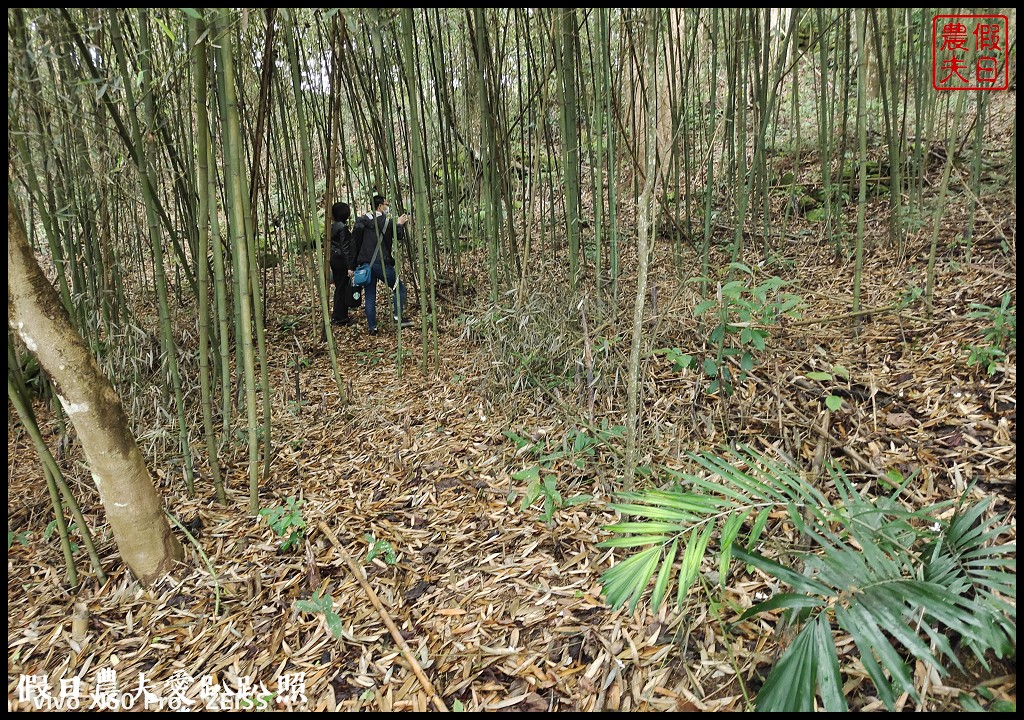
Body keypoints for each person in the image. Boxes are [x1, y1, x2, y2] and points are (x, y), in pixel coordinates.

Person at [352, 193, 413, 335]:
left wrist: (352, 265)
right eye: (386, 204)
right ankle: (398, 317)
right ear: (380, 206)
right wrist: (399, 224)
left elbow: (355, 243)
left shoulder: (362, 221)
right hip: (381, 264)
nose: (387, 207)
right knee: (399, 288)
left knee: (370, 295)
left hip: (366, 265)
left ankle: (372, 327)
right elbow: (399, 236)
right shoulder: (387, 222)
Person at [329, 201, 357, 326]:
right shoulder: (342, 227)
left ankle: (338, 315)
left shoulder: (333, 226)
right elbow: (345, 248)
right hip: (340, 260)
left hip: (334, 258)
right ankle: (340, 317)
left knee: (339, 288)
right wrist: (350, 267)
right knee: (341, 288)